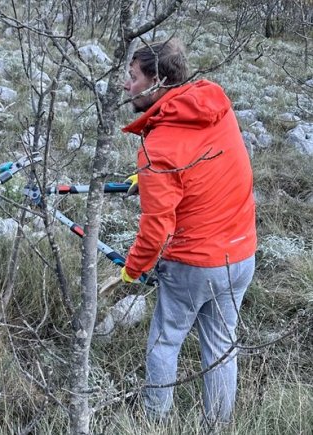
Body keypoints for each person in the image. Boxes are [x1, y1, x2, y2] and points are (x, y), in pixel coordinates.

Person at [119, 39, 256, 426]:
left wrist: (132, 270)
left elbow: (156, 229)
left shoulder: (159, 145)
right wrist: (151, 178)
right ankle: (219, 426)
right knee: (221, 345)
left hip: (193, 265)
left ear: (157, 81)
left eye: (133, 77)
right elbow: (208, 165)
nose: (126, 85)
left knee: (165, 341)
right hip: (241, 255)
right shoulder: (215, 105)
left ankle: (153, 424)